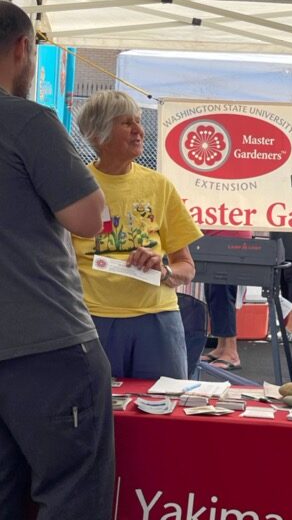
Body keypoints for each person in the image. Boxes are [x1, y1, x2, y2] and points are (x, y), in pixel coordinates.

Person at [0, 1, 114, 518]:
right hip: (44, 345)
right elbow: (89, 219)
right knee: (72, 496)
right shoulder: (27, 121)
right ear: (23, 48)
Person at [72, 90, 202, 380]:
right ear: (98, 135)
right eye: (126, 123)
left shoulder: (158, 185)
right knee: (98, 415)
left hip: (158, 318)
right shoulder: (74, 186)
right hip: (92, 319)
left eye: (139, 121)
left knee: (162, 412)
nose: (139, 131)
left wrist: (164, 269)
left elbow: (187, 268)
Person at [201, 229, 253, 370]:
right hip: (215, 237)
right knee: (213, 292)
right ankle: (221, 347)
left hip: (229, 238)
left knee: (223, 292)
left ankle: (231, 352)